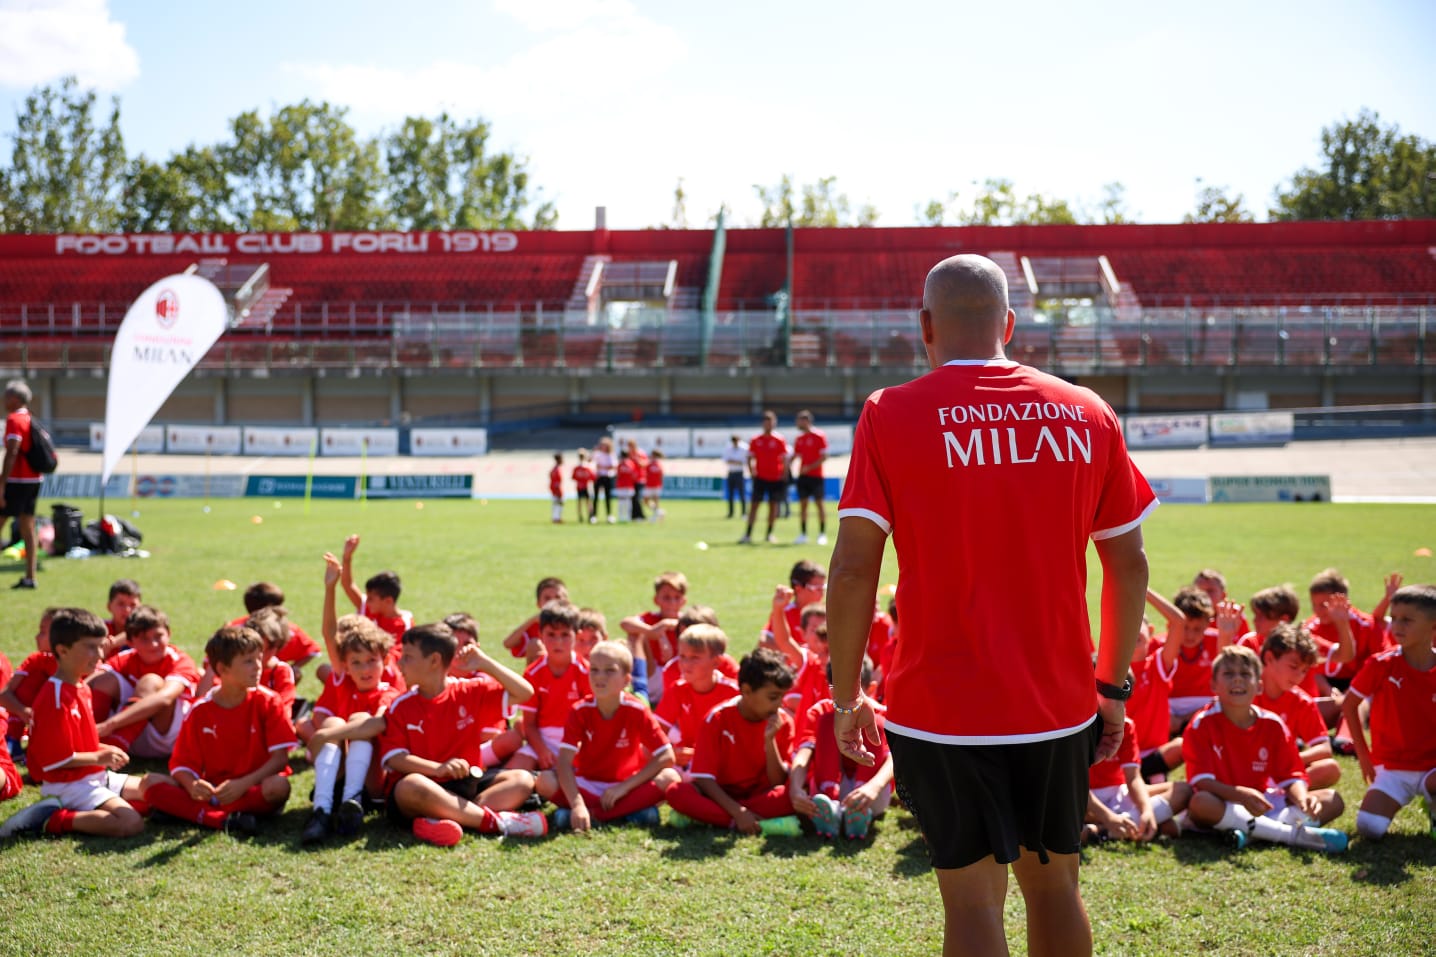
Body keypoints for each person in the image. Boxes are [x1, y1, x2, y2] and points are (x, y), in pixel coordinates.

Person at [826, 254, 1155, 957]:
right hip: (1058, 702)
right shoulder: (1087, 411)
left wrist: (846, 693)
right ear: (1009, 322)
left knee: (972, 901)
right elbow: (1126, 565)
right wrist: (1112, 686)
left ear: (925, 327)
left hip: (940, 706)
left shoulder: (890, 412)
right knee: (1057, 886)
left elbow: (855, 570)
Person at [377, 623, 545, 845]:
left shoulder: (469, 691)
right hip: (422, 787)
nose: (400, 663)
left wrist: (485, 663)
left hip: (464, 785)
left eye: (407, 657)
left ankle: (441, 819)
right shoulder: (401, 706)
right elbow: (396, 759)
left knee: (522, 779)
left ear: (434, 660)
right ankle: (495, 823)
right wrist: (438, 768)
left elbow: (525, 692)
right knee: (411, 786)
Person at [0, 608, 148, 839]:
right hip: (68, 786)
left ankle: (92, 808)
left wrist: (104, 749)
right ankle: (51, 819)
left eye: (101, 646)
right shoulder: (54, 698)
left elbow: (80, 744)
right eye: (90, 647)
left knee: (155, 792)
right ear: (62, 650)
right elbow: (53, 760)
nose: (99, 654)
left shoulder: (81, 687)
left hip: (94, 777)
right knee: (130, 823)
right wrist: (100, 757)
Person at [1182, 646, 1346, 852]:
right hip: (1224, 802)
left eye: (1245, 674)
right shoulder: (1201, 724)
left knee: (1332, 800)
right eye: (1228, 674)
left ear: (1258, 686)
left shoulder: (1272, 724)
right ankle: (1291, 835)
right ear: (1213, 685)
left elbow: (1291, 775)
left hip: (1263, 802)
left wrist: (1303, 799)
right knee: (1200, 802)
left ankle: (1252, 834)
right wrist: (1240, 794)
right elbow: (1201, 782)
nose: (1237, 680)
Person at [143, 626, 296, 835]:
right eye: (249, 661)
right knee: (150, 783)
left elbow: (280, 759)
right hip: (214, 791)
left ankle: (194, 813)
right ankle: (223, 819)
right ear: (223, 669)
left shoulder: (269, 701)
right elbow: (181, 764)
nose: (258, 667)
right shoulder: (200, 711)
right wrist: (192, 785)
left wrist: (243, 784)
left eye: (259, 659)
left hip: (253, 787)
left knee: (278, 787)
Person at [536, 640, 679, 831]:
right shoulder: (580, 710)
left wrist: (624, 788)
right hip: (587, 785)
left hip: (626, 787)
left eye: (609, 670)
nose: (599, 677)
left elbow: (666, 756)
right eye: (594, 669)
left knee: (671, 778)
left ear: (627, 680)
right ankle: (628, 814)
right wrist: (577, 803)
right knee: (544, 781)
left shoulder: (637, 709)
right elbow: (563, 762)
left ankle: (594, 815)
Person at [663, 647, 801, 835]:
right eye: (773, 697)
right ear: (746, 690)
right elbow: (704, 778)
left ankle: (713, 819)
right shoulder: (717, 719)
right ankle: (760, 824)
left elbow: (777, 781)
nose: (779, 704)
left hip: (760, 795)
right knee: (677, 792)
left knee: (794, 794)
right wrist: (738, 812)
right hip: (721, 795)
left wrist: (770, 741)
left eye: (782, 697)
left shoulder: (782, 721)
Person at [1342, 583, 1436, 841]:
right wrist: (1363, 755)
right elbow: (1349, 705)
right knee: (1369, 828)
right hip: (1393, 767)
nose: (1397, 626)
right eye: (1393, 619)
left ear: (1433, 627)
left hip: (1432, 768)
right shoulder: (1381, 664)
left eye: (1407, 620)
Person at [301, 616, 398, 844]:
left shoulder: (389, 692)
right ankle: (321, 812)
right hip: (343, 772)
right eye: (356, 662)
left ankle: (351, 804)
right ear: (345, 665)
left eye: (371, 660)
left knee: (359, 721)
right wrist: (331, 587)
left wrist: (325, 736)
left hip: (373, 783)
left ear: (384, 660)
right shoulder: (344, 682)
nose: (365, 669)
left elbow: (378, 723)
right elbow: (329, 634)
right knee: (334, 721)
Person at [790, 658, 894, 840]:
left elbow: (894, 760)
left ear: (870, 689)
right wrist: (795, 788)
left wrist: (873, 787)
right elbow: (805, 752)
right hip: (828, 794)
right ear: (831, 691)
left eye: (855, 693)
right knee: (829, 721)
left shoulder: (883, 714)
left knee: (874, 722)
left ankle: (856, 813)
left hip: (870, 792)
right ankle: (831, 804)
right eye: (842, 693)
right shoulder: (820, 711)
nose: (849, 700)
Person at [88, 605, 200, 758]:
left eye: (158, 636)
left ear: (169, 634)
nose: (153, 644)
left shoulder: (180, 660)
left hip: (165, 739)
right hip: (131, 732)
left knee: (150, 682)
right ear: (130, 641)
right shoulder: (126, 658)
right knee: (104, 680)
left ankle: (111, 747)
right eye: (144, 639)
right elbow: (87, 684)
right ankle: (88, 737)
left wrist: (110, 725)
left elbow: (165, 698)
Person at [509, 601, 592, 773]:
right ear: (540, 635)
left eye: (565, 635)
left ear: (577, 635)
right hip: (542, 740)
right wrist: (541, 751)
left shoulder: (587, 672)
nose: (558, 642)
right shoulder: (533, 673)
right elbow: (529, 724)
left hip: (576, 741)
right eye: (551, 635)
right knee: (515, 771)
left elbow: (593, 721)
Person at [1255, 624, 1341, 788]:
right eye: (1294, 667)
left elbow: (1324, 748)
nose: (1299, 676)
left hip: (1280, 769)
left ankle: (1278, 797)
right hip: (1242, 768)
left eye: (1304, 670)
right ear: (1269, 658)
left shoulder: (1301, 701)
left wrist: (1286, 760)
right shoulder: (1244, 692)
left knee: (1330, 769)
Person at [654, 624, 741, 770]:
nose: (686, 664)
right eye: (682, 656)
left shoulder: (734, 694)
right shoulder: (678, 690)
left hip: (724, 764)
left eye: (695, 657)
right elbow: (655, 736)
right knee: (663, 776)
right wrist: (672, 752)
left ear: (716, 662)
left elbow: (742, 742)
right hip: (689, 764)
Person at [229, 581, 323, 684]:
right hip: (238, 680)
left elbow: (312, 650)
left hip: (274, 680)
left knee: (294, 673)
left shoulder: (287, 630)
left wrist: (293, 668)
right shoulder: (233, 631)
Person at [2, 607, 57, 761]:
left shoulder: (75, 664)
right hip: (36, 719)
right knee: (28, 682)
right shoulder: (36, 660)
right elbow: (4, 694)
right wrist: (23, 711)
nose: (36, 637)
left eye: (43, 632)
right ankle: (13, 738)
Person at [1, 380, 41, 589]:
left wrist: (1, 482)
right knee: (28, 529)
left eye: (6, 396)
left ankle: (30, 577)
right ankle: (30, 577)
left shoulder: (14, 419)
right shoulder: (30, 418)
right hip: (34, 479)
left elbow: (12, 451)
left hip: (17, 480)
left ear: (14, 398)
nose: (3, 399)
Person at [339, 535, 413, 646]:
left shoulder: (404, 625)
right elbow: (348, 585)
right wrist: (347, 557)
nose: (366, 601)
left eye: (371, 599)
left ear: (388, 601)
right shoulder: (369, 609)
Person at [739, 411, 789, 545]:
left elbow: (784, 459)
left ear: (774, 423)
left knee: (773, 507)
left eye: (771, 422)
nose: (768, 425)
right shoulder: (756, 439)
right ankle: (748, 534)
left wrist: (784, 475)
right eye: (766, 422)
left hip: (775, 478)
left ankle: (769, 534)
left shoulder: (779, 439)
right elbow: (749, 457)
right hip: (760, 478)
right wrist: (752, 472)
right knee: (754, 506)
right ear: (763, 423)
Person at [502, 576, 568, 664]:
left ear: (567, 601)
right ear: (538, 604)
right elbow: (507, 644)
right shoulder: (535, 626)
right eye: (547, 598)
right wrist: (532, 620)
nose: (553, 602)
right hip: (542, 674)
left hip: (573, 672)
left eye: (558, 597)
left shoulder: (576, 623)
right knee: (535, 645)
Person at [791, 410, 829, 545]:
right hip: (803, 477)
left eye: (799, 420)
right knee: (803, 506)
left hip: (816, 476)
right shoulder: (799, 439)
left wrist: (810, 467)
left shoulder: (819, 436)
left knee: (820, 505)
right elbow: (795, 456)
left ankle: (822, 534)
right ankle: (803, 534)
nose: (797, 423)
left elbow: (824, 457)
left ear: (806, 421)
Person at [721, 434, 748, 519]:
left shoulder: (744, 448)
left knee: (742, 494)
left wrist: (734, 461)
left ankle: (744, 513)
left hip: (740, 473)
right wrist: (736, 461)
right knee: (730, 494)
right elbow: (726, 460)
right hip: (731, 473)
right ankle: (731, 513)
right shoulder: (728, 448)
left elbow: (744, 461)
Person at [591, 436, 617, 523]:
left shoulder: (611, 454)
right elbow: (591, 461)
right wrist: (594, 451)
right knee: (595, 497)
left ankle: (609, 515)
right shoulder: (597, 454)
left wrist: (602, 467)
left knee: (607, 497)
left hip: (607, 477)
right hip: (598, 477)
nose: (603, 447)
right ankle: (594, 515)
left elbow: (612, 466)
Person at [572, 450, 595, 523]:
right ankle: (589, 516)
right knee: (587, 502)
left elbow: (574, 477)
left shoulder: (578, 468)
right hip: (586, 487)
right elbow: (593, 477)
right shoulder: (587, 467)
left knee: (581, 502)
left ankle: (581, 516)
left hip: (581, 486)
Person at [644, 450, 665, 521]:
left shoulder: (658, 464)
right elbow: (645, 473)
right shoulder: (649, 464)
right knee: (645, 501)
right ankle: (659, 512)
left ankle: (655, 517)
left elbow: (661, 475)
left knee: (656, 501)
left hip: (656, 485)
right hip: (649, 485)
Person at [549, 453, 565, 524]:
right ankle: (556, 518)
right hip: (556, 489)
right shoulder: (557, 469)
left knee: (556, 503)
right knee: (558, 503)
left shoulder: (554, 469)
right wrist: (558, 491)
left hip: (554, 488)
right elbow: (556, 481)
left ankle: (556, 517)